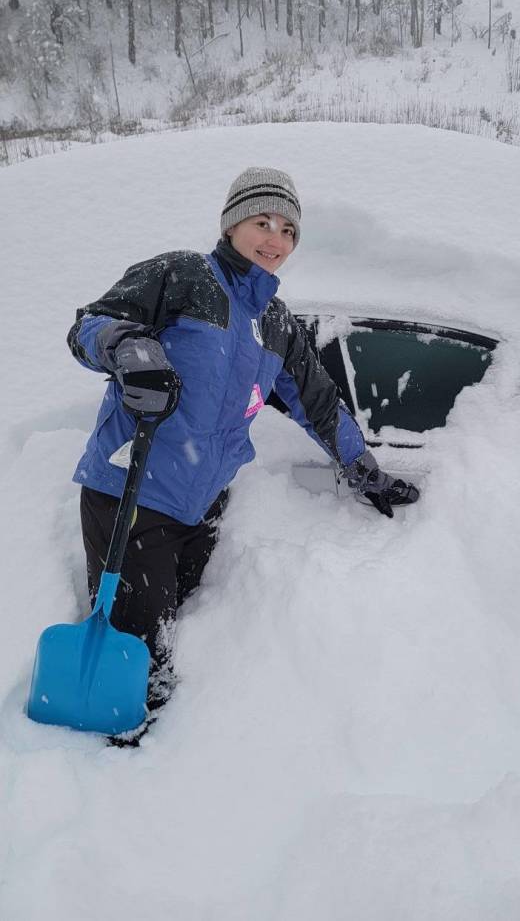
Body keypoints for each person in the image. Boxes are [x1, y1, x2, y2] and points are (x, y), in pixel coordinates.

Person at [68, 166, 419, 728]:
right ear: (232, 224)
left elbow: (319, 404)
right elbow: (91, 324)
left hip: (200, 508)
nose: (276, 240)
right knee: (141, 668)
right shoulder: (182, 276)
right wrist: (127, 348)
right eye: (263, 222)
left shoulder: (276, 322)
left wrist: (362, 469)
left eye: (289, 231)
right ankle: (126, 768)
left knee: (190, 626)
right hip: (131, 498)